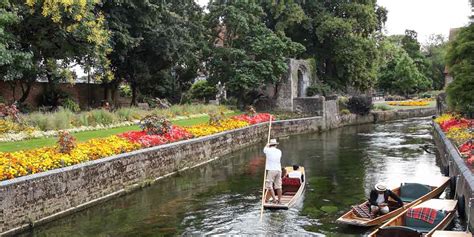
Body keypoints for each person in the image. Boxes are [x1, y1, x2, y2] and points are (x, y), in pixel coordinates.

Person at [263, 138, 282, 204]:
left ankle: (274, 199)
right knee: (278, 186)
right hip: (278, 170)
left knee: (269, 186)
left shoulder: (267, 150)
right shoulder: (279, 151)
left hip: (271, 170)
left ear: (270, 145)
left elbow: (264, 149)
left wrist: (267, 145)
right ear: (276, 145)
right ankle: (279, 200)